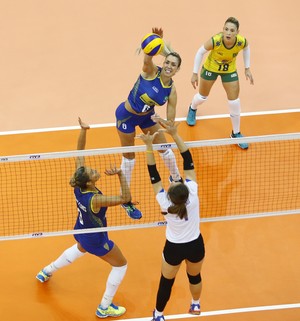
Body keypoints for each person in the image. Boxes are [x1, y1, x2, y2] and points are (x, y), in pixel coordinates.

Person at [36, 117, 130, 318]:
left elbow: (79, 154)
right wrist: (121, 174)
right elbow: (125, 198)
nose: (94, 170)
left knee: (79, 249)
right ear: (89, 182)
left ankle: (46, 271)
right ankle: (104, 307)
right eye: (92, 172)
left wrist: (84, 131)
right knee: (121, 264)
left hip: (81, 230)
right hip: (95, 238)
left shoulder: (79, 185)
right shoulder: (96, 199)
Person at [136, 118, 205, 320]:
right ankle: (195, 304)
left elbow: (153, 174)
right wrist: (174, 134)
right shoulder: (192, 194)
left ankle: (158, 315)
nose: (175, 180)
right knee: (194, 276)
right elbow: (188, 159)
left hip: (174, 247)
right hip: (195, 245)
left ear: (172, 194)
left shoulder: (165, 203)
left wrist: (149, 146)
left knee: (166, 282)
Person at [116, 27, 183, 220]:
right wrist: (156, 43)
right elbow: (147, 58)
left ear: (177, 70)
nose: (169, 66)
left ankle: (176, 178)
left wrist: (161, 121)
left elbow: (170, 120)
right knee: (129, 158)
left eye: (174, 65)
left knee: (165, 148)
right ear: (164, 62)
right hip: (127, 117)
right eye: (168, 62)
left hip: (147, 117)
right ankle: (125, 200)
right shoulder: (151, 71)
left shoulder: (171, 90)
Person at [186, 17, 254, 150]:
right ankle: (193, 108)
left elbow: (247, 48)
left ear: (237, 32)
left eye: (232, 30)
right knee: (202, 97)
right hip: (211, 69)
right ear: (223, 29)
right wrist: (194, 73)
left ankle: (235, 133)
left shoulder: (241, 41)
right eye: (226, 29)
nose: (228, 33)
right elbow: (200, 52)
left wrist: (247, 68)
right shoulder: (215, 40)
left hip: (229, 70)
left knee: (234, 101)